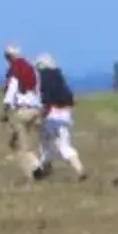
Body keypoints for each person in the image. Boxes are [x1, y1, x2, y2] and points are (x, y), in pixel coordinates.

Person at [32, 54, 84, 182]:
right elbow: (70, 98)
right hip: (65, 114)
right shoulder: (59, 77)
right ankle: (46, 169)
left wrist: (40, 114)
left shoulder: (42, 78)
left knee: (52, 145)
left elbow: (45, 98)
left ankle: (78, 170)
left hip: (51, 115)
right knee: (58, 143)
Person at [0, 43, 42, 178]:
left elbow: (12, 89)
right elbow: (38, 88)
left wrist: (5, 109)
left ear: (9, 56)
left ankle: (36, 169)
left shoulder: (15, 69)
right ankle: (37, 167)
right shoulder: (31, 68)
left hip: (22, 111)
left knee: (20, 147)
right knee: (16, 142)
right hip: (35, 109)